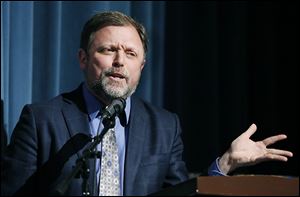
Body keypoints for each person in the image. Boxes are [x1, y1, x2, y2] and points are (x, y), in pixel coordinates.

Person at [1, 11, 293, 196]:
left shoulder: (165, 126)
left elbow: (178, 194)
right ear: (83, 59)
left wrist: (224, 164)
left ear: (141, 65)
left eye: (130, 53)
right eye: (108, 50)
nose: (119, 61)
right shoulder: (41, 119)